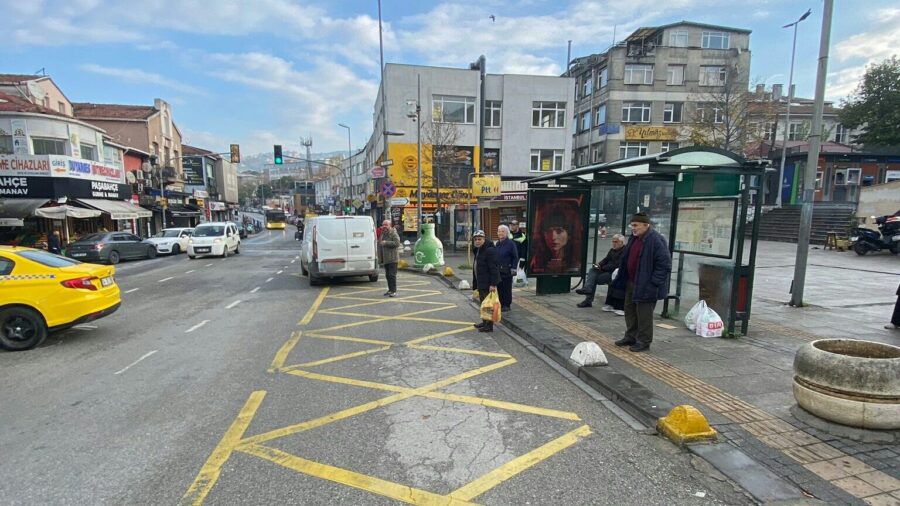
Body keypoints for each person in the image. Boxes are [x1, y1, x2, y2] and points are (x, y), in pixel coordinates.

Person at [611, 212, 672, 353]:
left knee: (644, 315)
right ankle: (631, 336)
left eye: (636, 225)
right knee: (630, 311)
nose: (633, 228)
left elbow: (664, 264)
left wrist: (654, 283)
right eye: (632, 225)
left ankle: (644, 341)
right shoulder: (634, 238)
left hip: (647, 285)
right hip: (632, 282)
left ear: (646, 225)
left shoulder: (656, 240)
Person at [530, 200, 582, 274]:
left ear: (570, 234)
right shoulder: (537, 259)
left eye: (559, 231)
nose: (553, 237)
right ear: (542, 234)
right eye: (548, 231)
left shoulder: (575, 259)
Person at [575, 234, 626, 309]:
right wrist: (598, 264)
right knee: (592, 270)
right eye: (613, 241)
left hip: (613, 273)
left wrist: (602, 268)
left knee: (593, 279)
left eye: (616, 242)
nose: (614, 243)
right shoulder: (612, 250)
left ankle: (588, 299)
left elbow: (616, 265)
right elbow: (606, 259)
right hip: (605, 270)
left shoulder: (624, 252)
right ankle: (587, 289)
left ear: (621, 242)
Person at [472, 230, 500, 333]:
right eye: (476, 239)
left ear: (484, 239)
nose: (477, 241)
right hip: (481, 282)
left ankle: (489, 326)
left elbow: (494, 269)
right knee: (483, 304)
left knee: (488, 305)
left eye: (480, 239)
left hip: (487, 283)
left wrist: (493, 284)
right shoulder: (478, 249)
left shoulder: (489, 250)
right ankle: (484, 322)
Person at [494, 225, 519, 313]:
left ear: (507, 233)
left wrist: (513, 268)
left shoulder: (511, 244)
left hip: (507, 270)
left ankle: (507, 305)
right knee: (500, 287)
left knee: (506, 288)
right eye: (499, 231)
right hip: (498, 270)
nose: (500, 233)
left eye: (502, 231)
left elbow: (515, 257)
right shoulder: (497, 243)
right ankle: (501, 303)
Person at [378, 219, 401, 297]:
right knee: (387, 275)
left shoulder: (393, 233)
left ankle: (393, 291)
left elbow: (397, 243)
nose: (384, 226)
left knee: (392, 275)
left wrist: (386, 243)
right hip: (386, 258)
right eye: (383, 225)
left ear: (390, 225)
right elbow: (380, 242)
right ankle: (390, 290)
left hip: (393, 258)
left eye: (386, 225)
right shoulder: (384, 233)